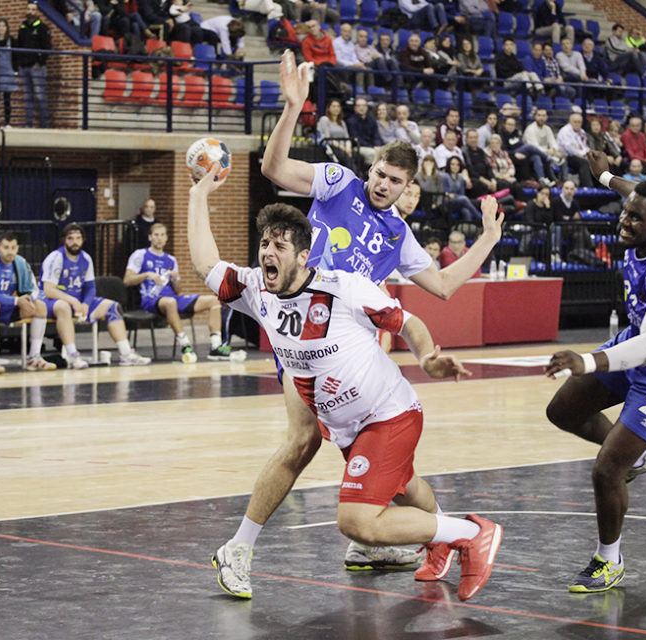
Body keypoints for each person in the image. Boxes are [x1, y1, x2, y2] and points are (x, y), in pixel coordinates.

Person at [245, 50, 503, 577]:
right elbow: (273, 168)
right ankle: (431, 538)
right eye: (381, 174)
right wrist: (293, 107)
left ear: (409, 189)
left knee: (315, 442)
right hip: (303, 328)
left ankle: (431, 537)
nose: (385, 185)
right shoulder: (338, 183)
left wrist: (489, 239)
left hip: (347, 350)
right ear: (371, 168)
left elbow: (446, 286)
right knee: (388, 472)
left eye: (396, 182)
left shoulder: (400, 235)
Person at [193, 195, 502, 601]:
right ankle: (439, 536)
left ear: (303, 256)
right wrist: (198, 194)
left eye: (279, 246)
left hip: (388, 415)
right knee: (405, 486)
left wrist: (427, 359)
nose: (268, 253)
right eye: (264, 244)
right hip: (346, 427)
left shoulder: (344, 288)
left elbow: (407, 322)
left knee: (357, 522)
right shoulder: (255, 289)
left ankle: (471, 533)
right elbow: (205, 264)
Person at [545, 150, 646, 593]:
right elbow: (633, 194)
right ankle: (638, 456)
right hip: (636, 340)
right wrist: (603, 174)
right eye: (626, 214)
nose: (625, 222)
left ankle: (609, 560)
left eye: (636, 219)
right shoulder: (643, 213)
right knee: (562, 411)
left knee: (605, 470)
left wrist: (587, 361)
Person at [38, 223, 152, 368]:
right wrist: (72, 300)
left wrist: (85, 303)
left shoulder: (86, 259)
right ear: (64, 240)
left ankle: (126, 354)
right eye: (71, 238)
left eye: (78, 238)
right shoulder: (55, 258)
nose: (75, 242)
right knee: (64, 307)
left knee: (113, 307)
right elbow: (49, 290)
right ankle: (73, 356)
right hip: (52, 301)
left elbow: (90, 287)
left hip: (77, 301)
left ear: (83, 240)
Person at [124, 222, 231, 361]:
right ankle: (185, 345)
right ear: (150, 237)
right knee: (170, 302)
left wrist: (175, 279)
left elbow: (178, 290)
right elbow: (127, 280)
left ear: (166, 238)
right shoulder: (140, 255)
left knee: (214, 300)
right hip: (150, 299)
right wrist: (147, 275)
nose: (159, 238)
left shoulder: (171, 260)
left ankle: (215, 347)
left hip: (172, 297)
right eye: (156, 235)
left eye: (162, 235)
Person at [0, 232, 56, 372]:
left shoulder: (21, 263)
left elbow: (33, 290)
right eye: (6, 247)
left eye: (13, 247)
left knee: (40, 306)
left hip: (7, 304)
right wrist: (17, 301)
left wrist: (28, 301)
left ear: (17, 248)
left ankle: (34, 357)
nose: (9, 252)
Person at [15, 0, 52, 129]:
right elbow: (18, 46)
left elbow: (47, 48)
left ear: (37, 12)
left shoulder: (42, 28)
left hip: (37, 68)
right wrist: (18, 64)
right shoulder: (22, 27)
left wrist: (40, 62)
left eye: (33, 10)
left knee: (40, 96)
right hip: (24, 67)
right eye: (29, 9)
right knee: (27, 98)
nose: (30, 12)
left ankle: (44, 124)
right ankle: (28, 124)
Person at [523, 108, 562, 185]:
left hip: (545, 153)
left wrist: (553, 150)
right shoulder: (530, 129)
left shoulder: (547, 129)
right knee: (537, 157)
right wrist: (547, 151)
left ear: (547, 117)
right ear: (535, 117)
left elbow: (554, 143)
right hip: (530, 155)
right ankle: (542, 180)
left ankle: (561, 181)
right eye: (539, 115)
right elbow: (534, 147)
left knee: (562, 155)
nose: (541, 118)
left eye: (543, 116)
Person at [557, 112, 593, 188]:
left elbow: (584, 146)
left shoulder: (582, 132)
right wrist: (582, 156)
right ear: (570, 122)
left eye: (579, 122)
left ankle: (601, 186)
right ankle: (587, 186)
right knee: (584, 163)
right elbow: (570, 149)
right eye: (575, 122)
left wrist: (588, 155)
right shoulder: (565, 131)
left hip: (580, 156)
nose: (577, 124)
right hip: (567, 157)